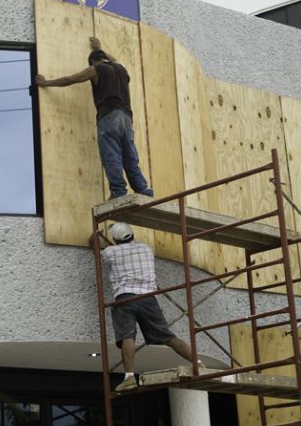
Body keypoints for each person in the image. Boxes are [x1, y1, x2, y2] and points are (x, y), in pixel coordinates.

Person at [35, 37, 154, 199]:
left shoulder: (95, 69)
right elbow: (114, 59)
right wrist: (99, 48)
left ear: (93, 62)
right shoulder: (121, 69)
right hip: (126, 119)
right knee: (129, 155)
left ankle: (118, 191)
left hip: (108, 117)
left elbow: (69, 80)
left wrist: (46, 83)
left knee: (111, 154)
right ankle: (142, 189)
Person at [93, 222, 203, 392]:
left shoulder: (111, 252)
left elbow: (96, 251)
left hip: (124, 298)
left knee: (127, 337)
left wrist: (94, 237)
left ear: (114, 239)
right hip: (148, 298)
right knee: (168, 337)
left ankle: (129, 377)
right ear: (132, 234)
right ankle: (197, 363)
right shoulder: (146, 249)